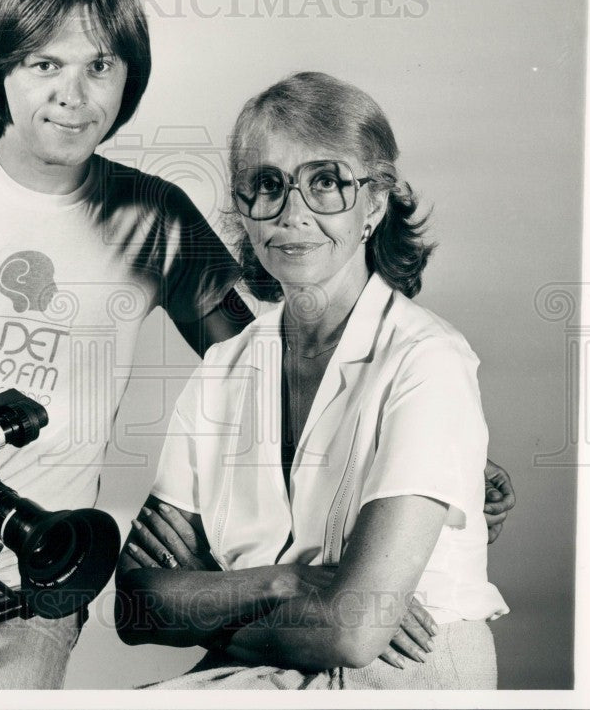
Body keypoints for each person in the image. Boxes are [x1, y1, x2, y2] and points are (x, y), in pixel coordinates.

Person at [0, 0, 513, 690]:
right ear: (0, 70)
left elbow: (279, 366)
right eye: (44, 63)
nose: (73, 95)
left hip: (35, 579)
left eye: (99, 64)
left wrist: (435, 502)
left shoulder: (154, 216)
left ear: (128, 78)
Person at [115, 72, 510, 689]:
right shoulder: (222, 369)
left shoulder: (427, 359)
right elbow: (137, 606)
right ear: (243, 209)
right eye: (268, 186)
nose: (293, 214)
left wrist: (209, 606)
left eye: (326, 182)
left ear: (375, 204)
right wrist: (285, 581)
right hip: (255, 667)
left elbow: (354, 631)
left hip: (399, 672)